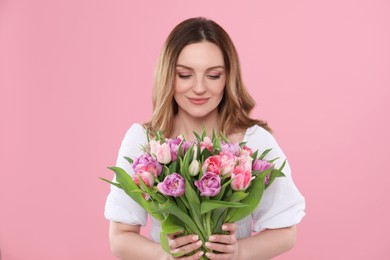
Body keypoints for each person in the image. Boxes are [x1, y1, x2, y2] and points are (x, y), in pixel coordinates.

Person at [104, 17, 305, 260]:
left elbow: (285, 232)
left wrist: (239, 252)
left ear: (228, 78)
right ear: (168, 75)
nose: (199, 88)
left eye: (213, 75)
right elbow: (120, 237)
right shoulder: (144, 140)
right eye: (185, 75)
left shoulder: (254, 141)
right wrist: (165, 256)